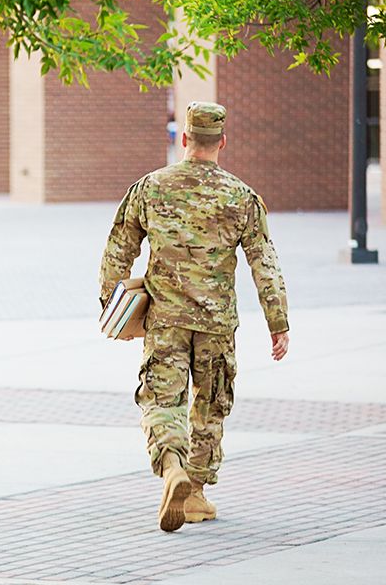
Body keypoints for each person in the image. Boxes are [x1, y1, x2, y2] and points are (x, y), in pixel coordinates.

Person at [98, 101, 290, 533]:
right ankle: (197, 494)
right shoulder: (241, 196)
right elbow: (265, 264)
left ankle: (172, 470)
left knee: (161, 400)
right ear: (222, 142)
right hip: (217, 325)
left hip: (165, 320)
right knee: (210, 406)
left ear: (184, 139)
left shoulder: (150, 188)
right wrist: (278, 322)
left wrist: (111, 309)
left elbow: (117, 252)